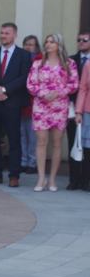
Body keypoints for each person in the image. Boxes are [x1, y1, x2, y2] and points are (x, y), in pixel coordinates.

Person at [0, 22, 33, 187]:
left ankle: (14, 175)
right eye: (1, 33)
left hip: (12, 103)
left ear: (14, 35)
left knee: (14, 139)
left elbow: (24, 77)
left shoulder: (24, 55)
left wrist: (4, 90)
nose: (3, 36)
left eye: (7, 33)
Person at [26, 33, 80, 192]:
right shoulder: (37, 63)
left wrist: (58, 93)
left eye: (52, 42)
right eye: (47, 42)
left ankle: (52, 180)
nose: (48, 44)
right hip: (41, 106)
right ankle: (41, 178)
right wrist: (43, 94)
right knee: (41, 141)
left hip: (60, 106)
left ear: (59, 45)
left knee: (57, 143)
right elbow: (30, 84)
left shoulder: (69, 63)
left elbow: (74, 84)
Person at [68, 31, 90, 189]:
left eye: (85, 40)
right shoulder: (71, 60)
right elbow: (82, 88)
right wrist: (78, 111)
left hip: (82, 108)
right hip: (76, 109)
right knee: (75, 144)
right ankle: (74, 180)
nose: (81, 42)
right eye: (79, 40)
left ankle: (86, 180)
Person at [19, 34, 43, 174]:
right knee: (21, 133)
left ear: (36, 47)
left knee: (33, 135)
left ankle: (32, 162)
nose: (28, 47)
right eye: (26, 44)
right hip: (20, 101)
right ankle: (23, 161)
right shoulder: (19, 58)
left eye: (31, 44)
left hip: (35, 102)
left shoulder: (40, 60)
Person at [77, 58, 90, 191]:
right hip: (88, 111)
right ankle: (86, 181)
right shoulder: (88, 64)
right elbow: (83, 89)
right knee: (88, 148)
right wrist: (78, 111)